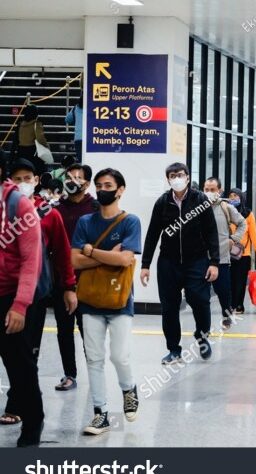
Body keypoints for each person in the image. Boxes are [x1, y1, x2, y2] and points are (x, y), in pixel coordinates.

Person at [71, 168, 141, 436]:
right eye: (98, 185)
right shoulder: (86, 222)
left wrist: (90, 250)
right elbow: (74, 260)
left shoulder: (130, 221)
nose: (102, 189)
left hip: (120, 299)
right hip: (90, 299)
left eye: (108, 185)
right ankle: (100, 413)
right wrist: (104, 255)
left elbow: (126, 259)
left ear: (120, 189)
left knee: (119, 355)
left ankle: (129, 389)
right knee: (94, 359)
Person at [140, 163, 220, 365]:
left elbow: (211, 232)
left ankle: (202, 337)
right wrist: (145, 264)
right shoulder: (162, 202)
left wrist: (214, 262)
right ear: (168, 179)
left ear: (187, 177)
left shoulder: (200, 200)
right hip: (168, 262)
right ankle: (174, 350)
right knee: (169, 307)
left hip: (197, 260)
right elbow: (152, 234)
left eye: (180, 175)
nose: (177, 178)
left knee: (200, 301)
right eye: (173, 175)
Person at [5, 160, 77, 366]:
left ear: (36, 180)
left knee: (29, 350)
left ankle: (25, 392)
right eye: (17, 179)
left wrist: (69, 286)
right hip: (6, 290)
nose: (22, 183)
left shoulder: (49, 213)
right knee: (9, 349)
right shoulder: (5, 212)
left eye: (27, 178)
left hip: (35, 291)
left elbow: (63, 253)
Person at [0, 164, 44, 447]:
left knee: (20, 366)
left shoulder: (19, 204)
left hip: (10, 296)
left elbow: (31, 260)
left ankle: (33, 420)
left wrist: (19, 305)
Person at [53, 163, 96, 390]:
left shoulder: (96, 208)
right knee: (64, 329)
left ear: (87, 184)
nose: (72, 181)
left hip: (89, 280)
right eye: (69, 177)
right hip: (62, 280)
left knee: (89, 331)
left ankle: (95, 372)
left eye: (77, 178)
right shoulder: (57, 208)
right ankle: (69, 374)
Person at [202, 177, 246, 329]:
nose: (209, 192)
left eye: (212, 190)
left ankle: (226, 315)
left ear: (219, 191)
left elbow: (242, 223)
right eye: (206, 189)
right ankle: (203, 323)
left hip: (221, 258)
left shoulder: (225, 207)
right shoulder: (196, 208)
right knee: (202, 295)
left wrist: (233, 239)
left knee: (223, 291)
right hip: (201, 258)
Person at [227, 188, 256, 315]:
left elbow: (253, 235)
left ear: (241, 198)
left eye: (235, 196)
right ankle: (231, 304)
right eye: (230, 196)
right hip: (228, 253)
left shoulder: (248, 214)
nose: (233, 198)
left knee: (241, 281)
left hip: (244, 254)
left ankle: (239, 305)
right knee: (230, 280)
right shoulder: (226, 212)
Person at [11, 105, 49, 174]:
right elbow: (41, 141)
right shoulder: (37, 124)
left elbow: (15, 142)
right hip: (32, 153)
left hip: (21, 153)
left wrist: (11, 158)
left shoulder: (20, 124)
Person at [65, 95, 83, 162]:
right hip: (91, 139)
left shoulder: (76, 108)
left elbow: (68, 120)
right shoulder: (95, 107)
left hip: (78, 138)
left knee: (81, 160)